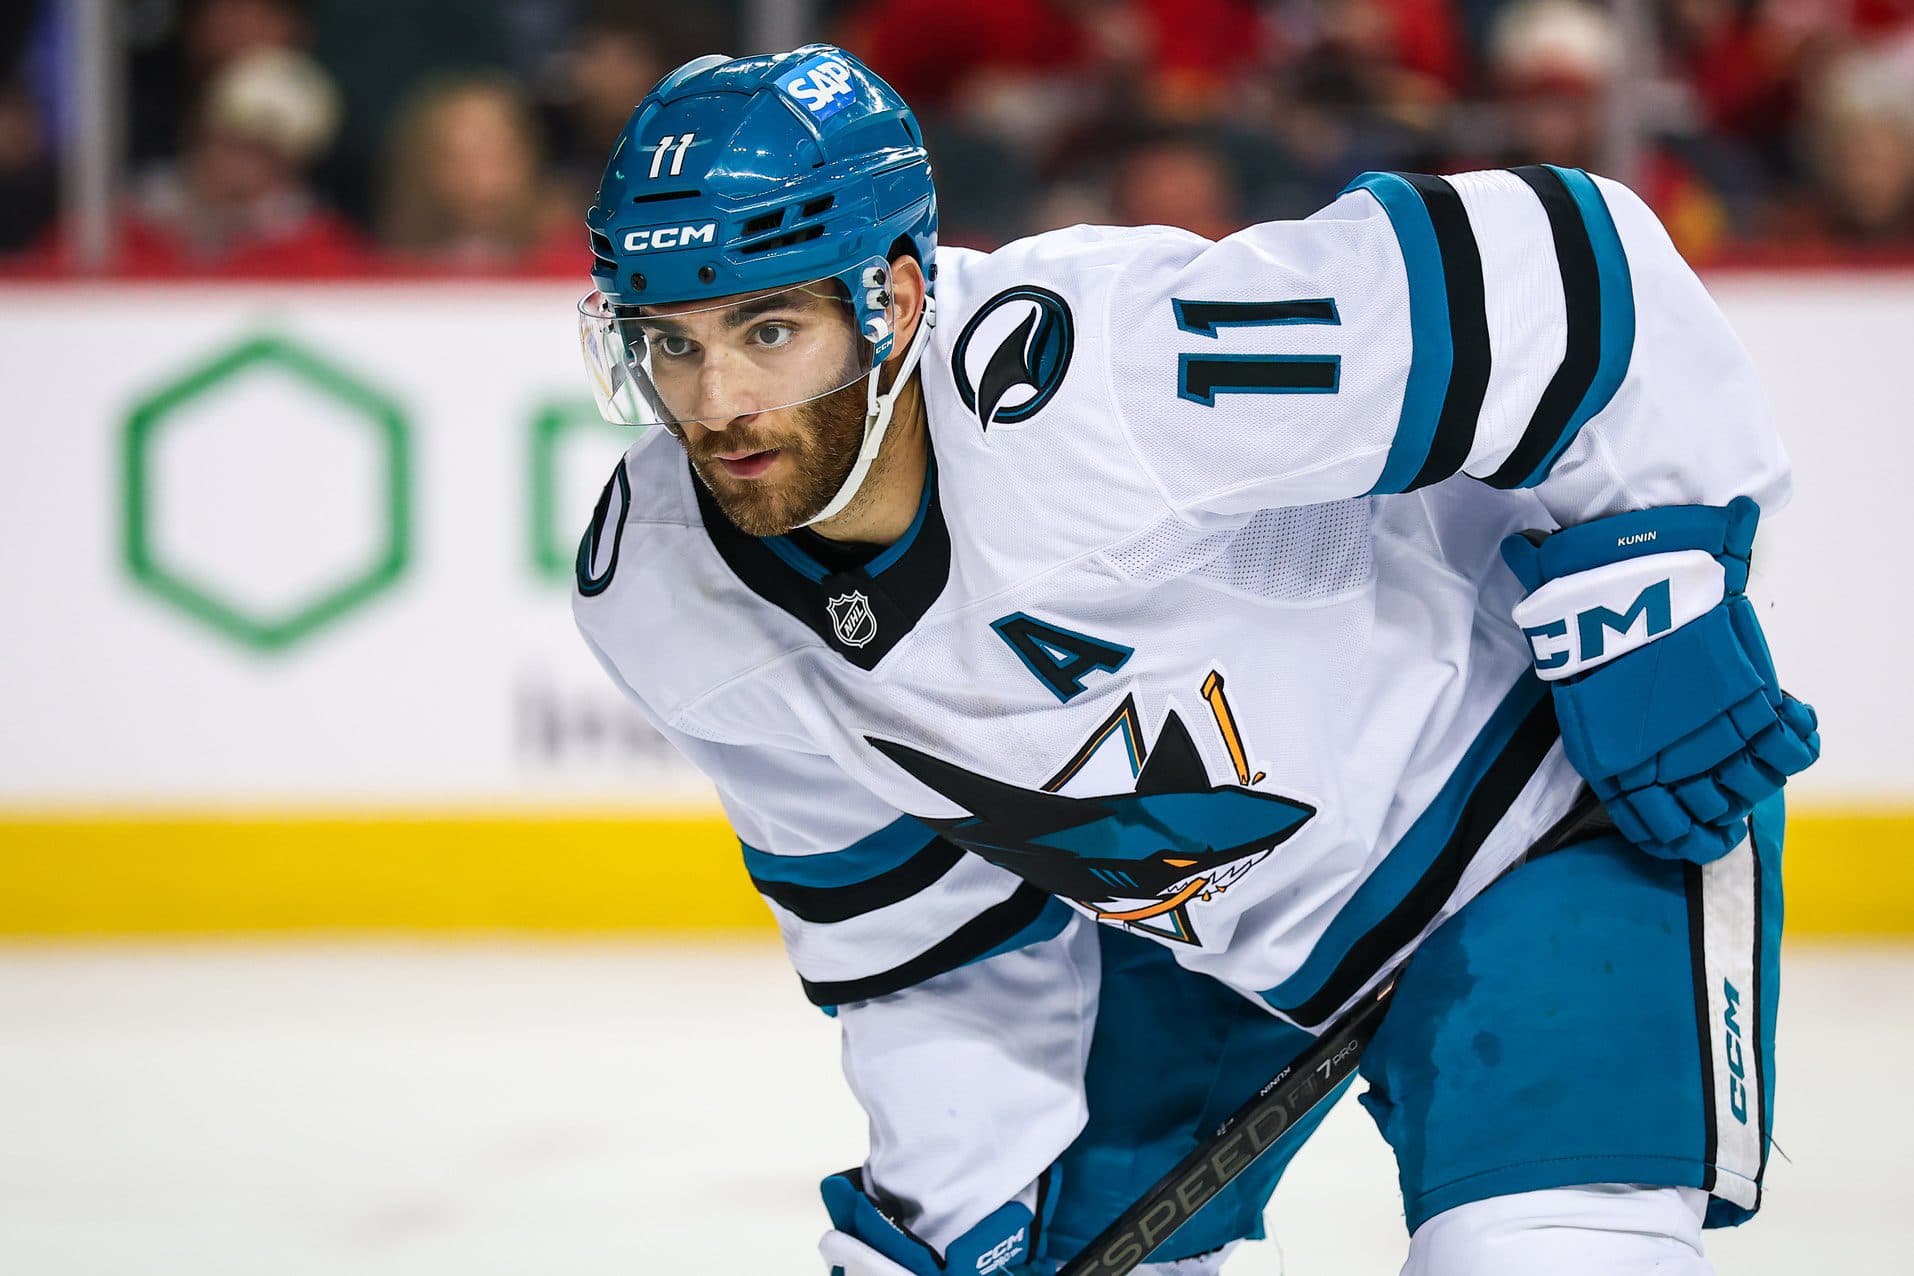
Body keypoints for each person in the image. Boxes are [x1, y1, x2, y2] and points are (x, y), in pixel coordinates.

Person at [570, 45, 1818, 1275]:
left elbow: (1562, 265)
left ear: (890, 301)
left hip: (1545, 815)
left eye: (768, 328)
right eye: (671, 342)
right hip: (1206, 936)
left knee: (1536, 1254)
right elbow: (925, 943)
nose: (719, 401)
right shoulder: (666, 593)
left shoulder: (1096, 375)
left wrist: (1651, 585)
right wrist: (955, 1212)